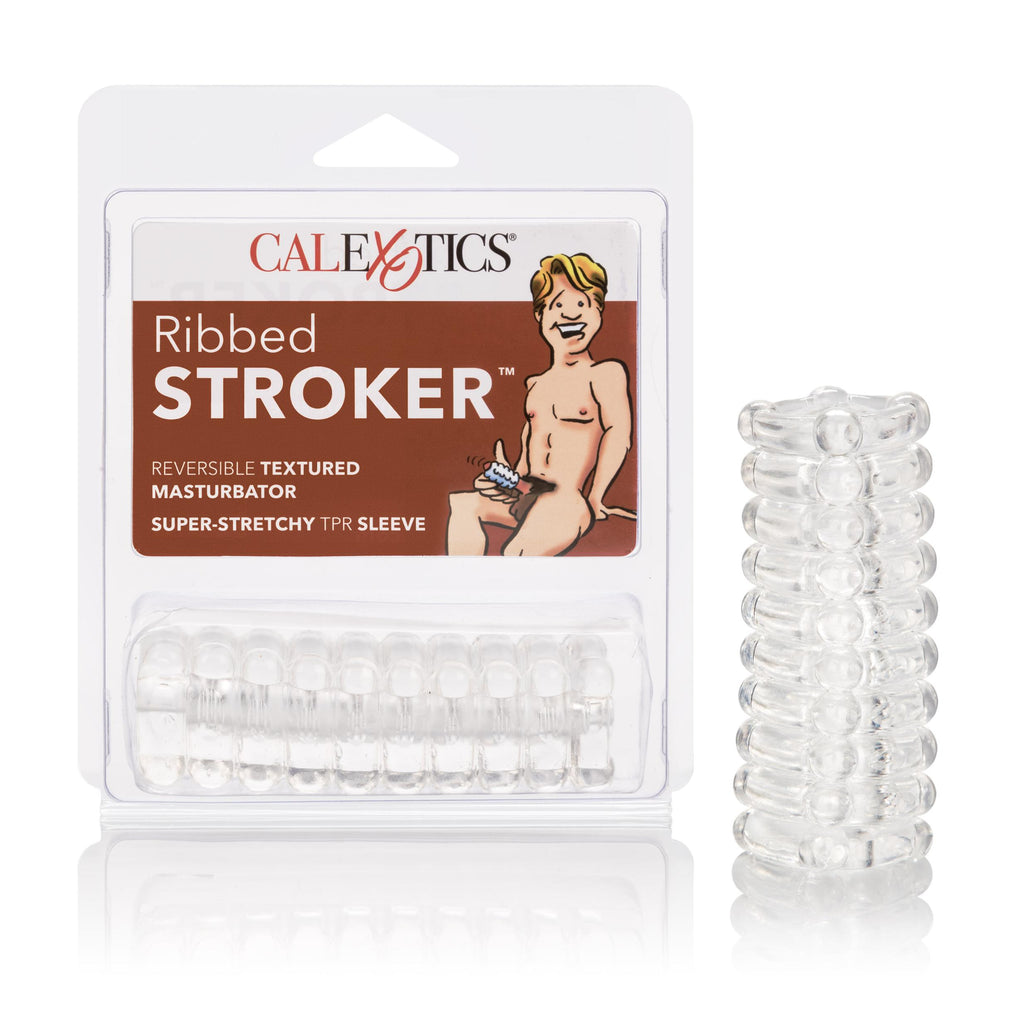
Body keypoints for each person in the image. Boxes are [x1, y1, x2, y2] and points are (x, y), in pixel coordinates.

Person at [446, 252, 635, 556]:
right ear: (541, 316)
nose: (570, 315)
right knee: (463, 503)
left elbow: (618, 434)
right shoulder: (535, 385)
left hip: (565, 500)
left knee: (513, 556)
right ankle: (460, 582)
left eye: (581, 304)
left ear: (599, 311)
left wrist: (596, 496)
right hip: (528, 493)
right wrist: (504, 480)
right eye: (557, 305)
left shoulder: (605, 373)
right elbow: (529, 451)